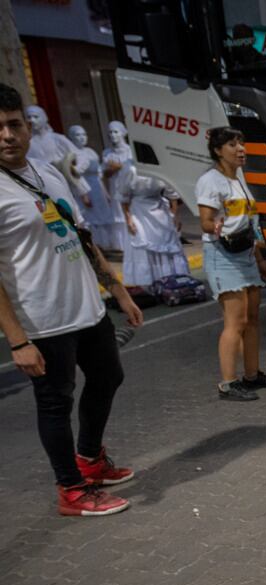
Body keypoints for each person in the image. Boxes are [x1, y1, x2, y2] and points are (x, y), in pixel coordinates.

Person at [0, 83, 144, 516]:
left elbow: (81, 236)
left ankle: (90, 458)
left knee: (108, 378)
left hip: (87, 306)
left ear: (28, 127)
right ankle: (71, 489)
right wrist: (17, 340)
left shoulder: (48, 172)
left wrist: (117, 290)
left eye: (13, 125)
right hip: (41, 320)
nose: (7, 135)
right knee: (55, 402)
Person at [196, 126, 266, 401]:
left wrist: (259, 259)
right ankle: (228, 383)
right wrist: (219, 227)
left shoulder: (239, 179)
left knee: (253, 318)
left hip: (245, 254)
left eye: (242, 144)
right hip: (223, 255)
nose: (241, 150)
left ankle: (252, 374)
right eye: (234, 145)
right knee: (236, 320)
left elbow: (250, 223)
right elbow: (206, 221)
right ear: (218, 150)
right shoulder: (210, 181)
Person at [119, 171, 189, 289]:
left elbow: (172, 194)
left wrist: (175, 215)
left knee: (167, 243)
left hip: (160, 209)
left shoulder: (156, 169)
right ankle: (148, 283)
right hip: (139, 212)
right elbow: (123, 198)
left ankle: (170, 280)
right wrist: (128, 219)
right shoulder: (130, 170)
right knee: (143, 243)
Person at [69, 125, 125, 251]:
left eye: (84, 134)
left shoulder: (91, 152)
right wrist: (83, 195)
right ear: (72, 137)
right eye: (78, 135)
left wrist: (106, 194)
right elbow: (75, 176)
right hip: (85, 189)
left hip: (97, 189)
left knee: (104, 216)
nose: (82, 138)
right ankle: (96, 246)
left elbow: (99, 175)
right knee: (90, 218)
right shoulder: (72, 154)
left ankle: (108, 245)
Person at [101, 121, 133, 253]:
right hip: (115, 187)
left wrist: (118, 166)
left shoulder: (130, 151)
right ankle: (123, 247)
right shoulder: (107, 153)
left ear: (122, 133)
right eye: (110, 132)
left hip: (129, 187)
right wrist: (114, 169)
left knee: (130, 213)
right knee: (118, 215)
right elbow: (105, 172)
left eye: (116, 132)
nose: (113, 135)